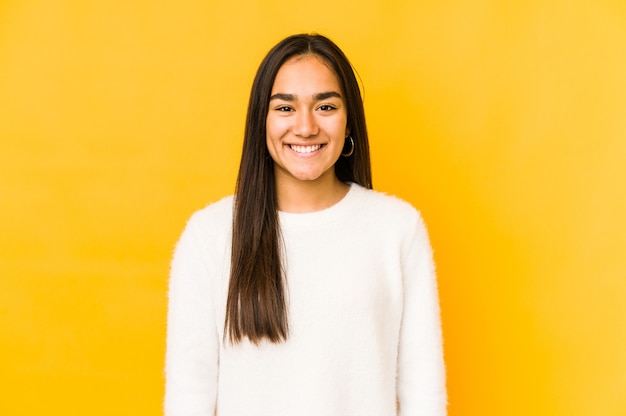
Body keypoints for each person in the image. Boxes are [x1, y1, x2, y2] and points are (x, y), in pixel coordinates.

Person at [165, 33, 446, 416]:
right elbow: (188, 398)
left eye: (325, 106)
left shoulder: (397, 230)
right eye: (285, 108)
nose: (306, 126)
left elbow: (423, 395)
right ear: (260, 121)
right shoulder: (208, 237)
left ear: (349, 122)